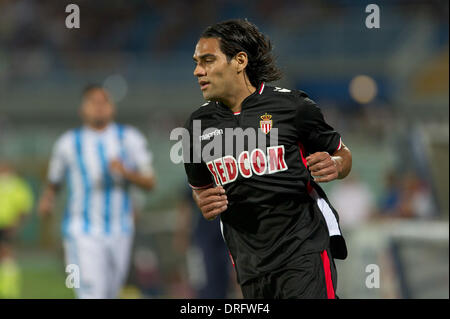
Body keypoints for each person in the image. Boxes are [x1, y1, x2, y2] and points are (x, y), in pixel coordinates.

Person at [183, 19, 352, 299]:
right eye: (197, 62)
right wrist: (203, 201)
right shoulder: (197, 125)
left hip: (303, 248)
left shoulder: (293, 107)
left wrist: (335, 164)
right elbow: (200, 190)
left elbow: (342, 154)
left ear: (239, 61)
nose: (197, 71)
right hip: (250, 262)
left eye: (208, 60)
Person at [38, 85, 156, 299]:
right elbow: (54, 180)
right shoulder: (68, 143)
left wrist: (126, 173)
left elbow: (150, 182)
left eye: (104, 102)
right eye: (93, 102)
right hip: (82, 229)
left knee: (111, 292)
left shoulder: (129, 138)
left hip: (121, 228)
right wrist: (48, 199)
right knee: (92, 293)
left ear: (112, 108)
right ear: (82, 108)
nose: (99, 107)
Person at [173, 185, 232, 298]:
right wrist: (181, 234)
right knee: (205, 282)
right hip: (205, 238)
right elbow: (186, 206)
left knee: (227, 280)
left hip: (227, 235)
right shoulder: (198, 173)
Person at [0, 161, 34, 298]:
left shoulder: (16, 184)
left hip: (7, 224)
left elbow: (24, 206)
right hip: (9, 223)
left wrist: (17, 223)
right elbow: (25, 206)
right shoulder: (18, 184)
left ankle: (8, 289)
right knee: (7, 256)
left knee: (7, 255)